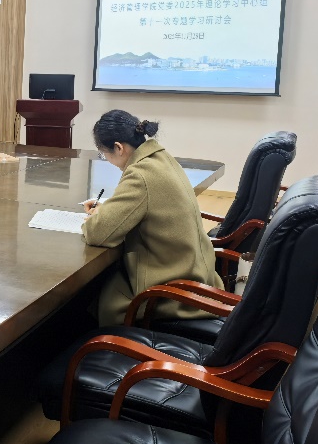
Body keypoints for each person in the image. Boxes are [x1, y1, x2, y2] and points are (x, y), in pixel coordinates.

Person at [82, 109, 222, 326]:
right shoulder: (160, 157)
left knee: (92, 293)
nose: (106, 159)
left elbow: (97, 233)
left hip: (171, 292)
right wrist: (107, 210)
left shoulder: (139, 174)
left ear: (118, 148)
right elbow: (144, 205)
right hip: (197, 274)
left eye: (104, 154)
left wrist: (93, 220)